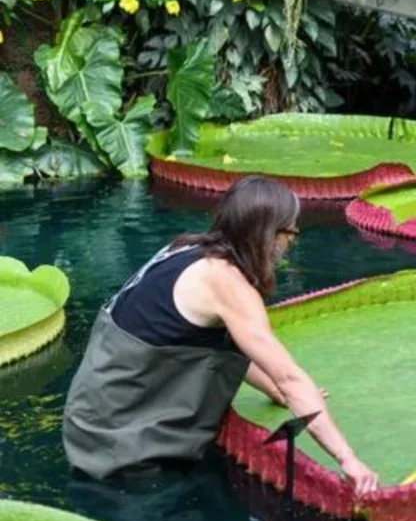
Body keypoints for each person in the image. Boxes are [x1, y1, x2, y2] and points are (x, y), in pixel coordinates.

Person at [62, 176, 378, 494]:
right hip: (119, 445)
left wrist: (272, 391)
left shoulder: (184, 248)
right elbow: (291, 379)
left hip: (87, 421)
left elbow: (220, 345)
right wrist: (347, 458)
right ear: (269, 235)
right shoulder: (225, 283)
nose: (292, 242)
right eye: (291, 231)